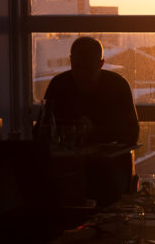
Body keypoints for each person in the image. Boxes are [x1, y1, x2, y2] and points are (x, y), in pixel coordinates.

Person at [38, 36, 140, 204]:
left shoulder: (60, 84)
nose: (82, 74)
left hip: (94, 169)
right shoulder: (116, 85)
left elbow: (132, 133)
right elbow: (131, 133)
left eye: (87, 68)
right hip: (101, 170)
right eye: (77, 67)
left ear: (100, 64)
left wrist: (79, 131)